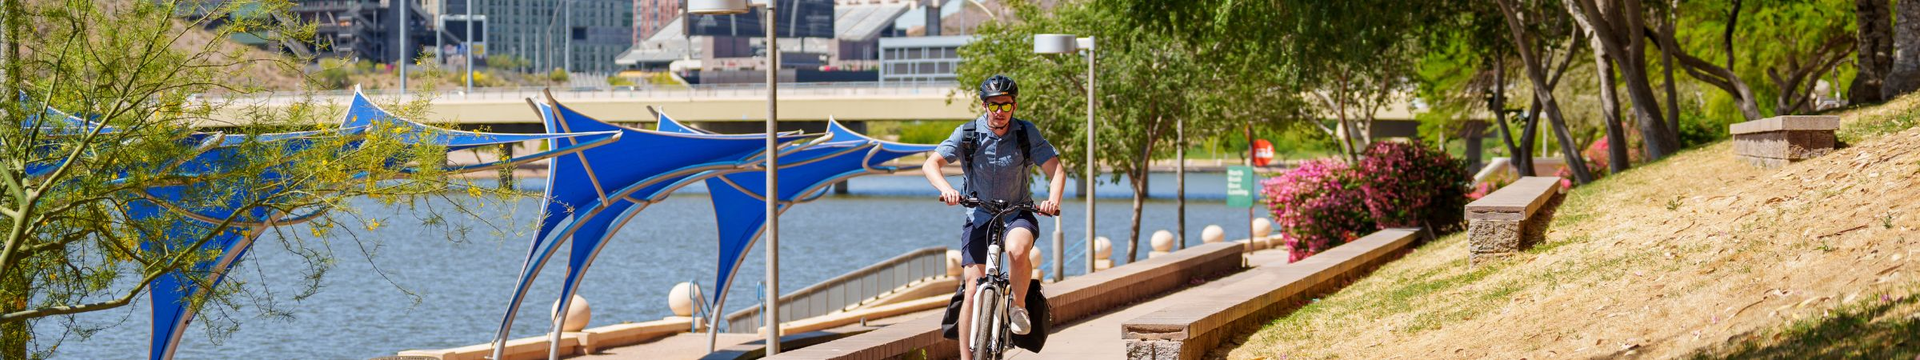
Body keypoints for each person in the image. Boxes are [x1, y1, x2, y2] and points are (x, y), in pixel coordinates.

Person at [922, 74, 1066, 359]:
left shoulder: (1026, 133)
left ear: (1014, 105)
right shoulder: (967, 134)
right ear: (983, 105)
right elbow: (931, 164)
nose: (999, 112)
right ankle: (966, 357)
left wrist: (1052, 201)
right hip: (979, 215)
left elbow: (1057, 170)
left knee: (1016, 249)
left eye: (1006, 105)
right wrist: (947, 189)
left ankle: (1019, 306)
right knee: (972, 289)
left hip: (1017, 212)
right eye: (993, 105)